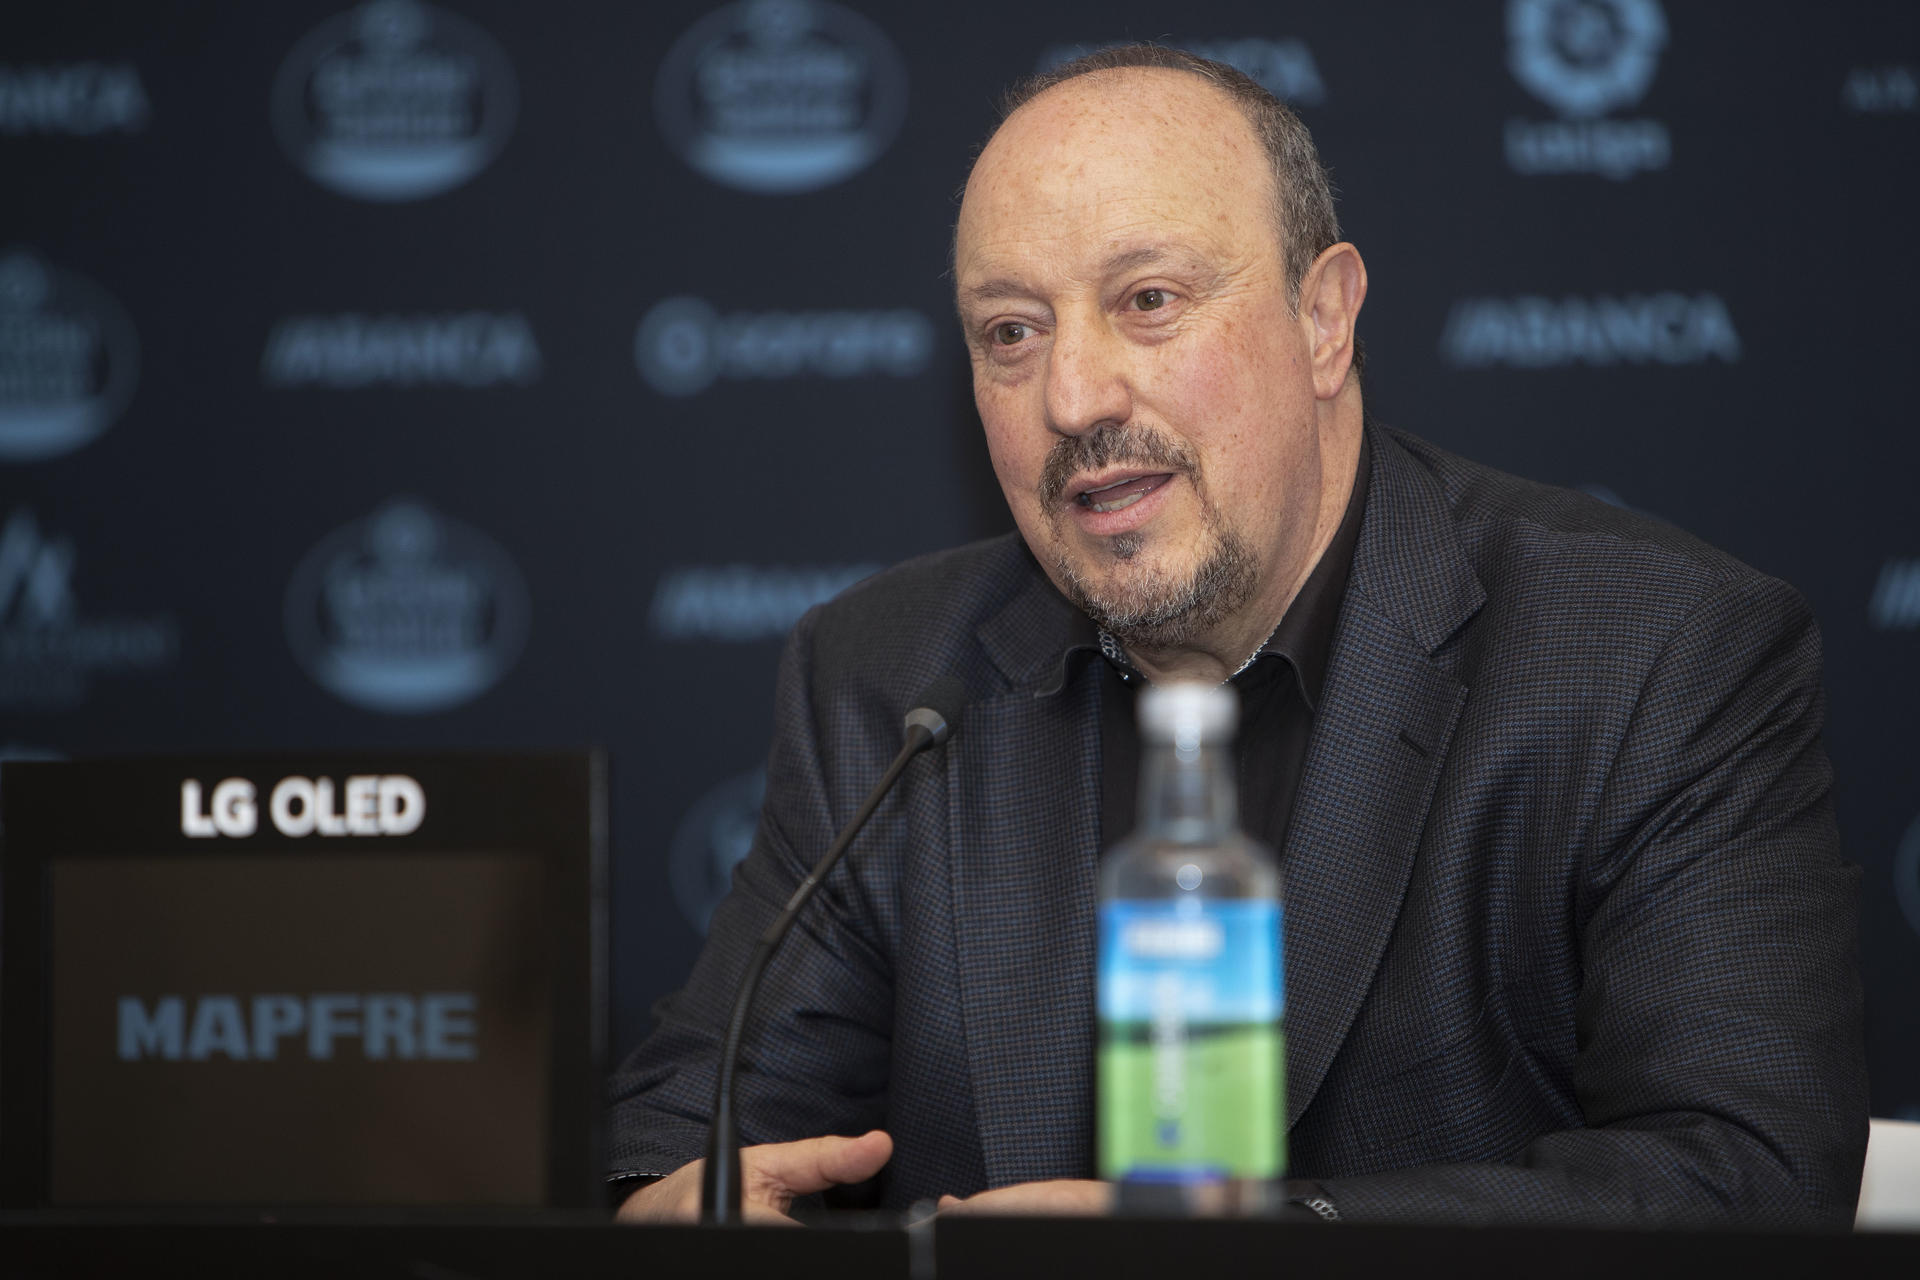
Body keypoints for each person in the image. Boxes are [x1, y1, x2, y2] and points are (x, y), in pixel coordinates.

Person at [607, 46, 1867, 1226]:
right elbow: (690, 1127)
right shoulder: (886, 675)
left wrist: (1267, 1243)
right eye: (1011, 331)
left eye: (1147, 301)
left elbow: (1746, 1168)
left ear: (1326, 319)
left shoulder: (1654, 650)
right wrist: (667, 1198)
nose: (1074, 397)